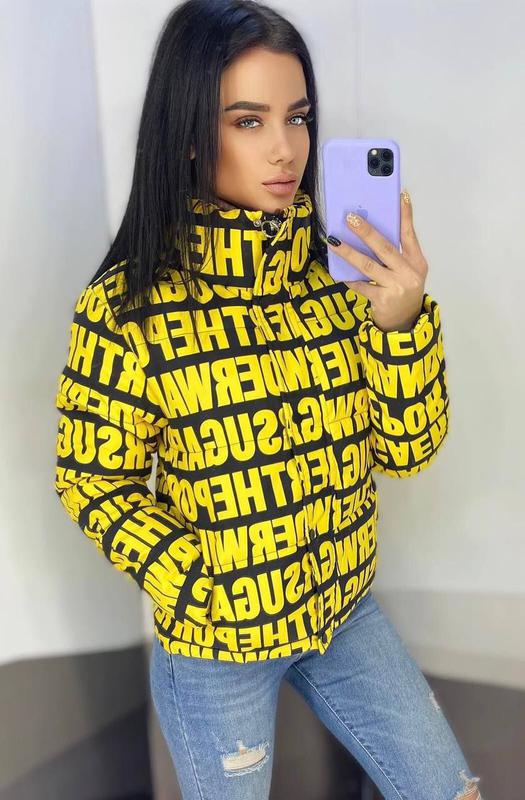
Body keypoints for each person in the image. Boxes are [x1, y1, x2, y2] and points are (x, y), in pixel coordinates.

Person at [53, 1, 483, 797]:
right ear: (189, 133)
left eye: (298, 117)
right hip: (219, 646)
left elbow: (406, 452)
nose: (285, 148)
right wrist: (202, 585)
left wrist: (399, 324)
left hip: (344, 612)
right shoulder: (127, 309)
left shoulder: (340, 275)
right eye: (247, 121)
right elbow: (92, 481)